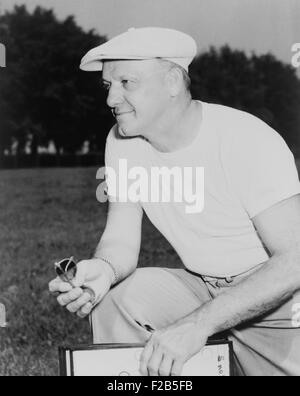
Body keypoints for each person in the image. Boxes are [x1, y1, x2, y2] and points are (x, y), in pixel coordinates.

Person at [49, 27, 300, 376]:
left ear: (171, 82)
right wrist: (102, 271)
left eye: (126, 83)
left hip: (280, 305)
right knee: (118, 298)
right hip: (203, 286)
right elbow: (120, 239)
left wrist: (198, 324)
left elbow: (294, 262)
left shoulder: (245, 138)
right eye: (108, 86)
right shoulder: (124, 142)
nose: (111, 99)